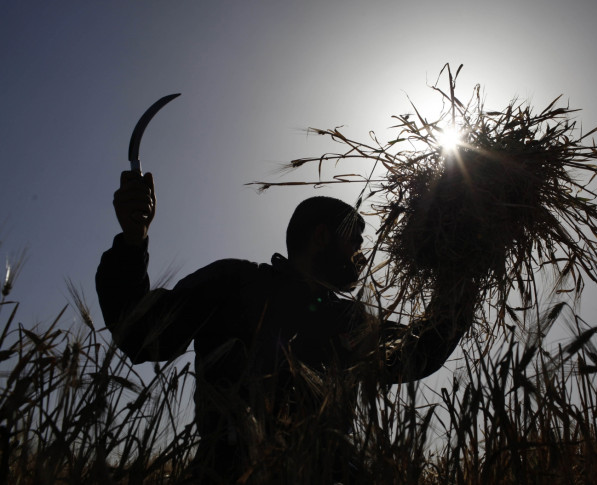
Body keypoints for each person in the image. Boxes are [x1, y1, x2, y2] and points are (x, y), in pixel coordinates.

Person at [96, 171, 478, 483]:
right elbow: (143, 335)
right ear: (321, 236)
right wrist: (133, 240)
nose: (362, 256)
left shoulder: (350, 319)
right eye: (355, 241)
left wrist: (463, 273)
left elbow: (418, 353)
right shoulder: (234, 283)